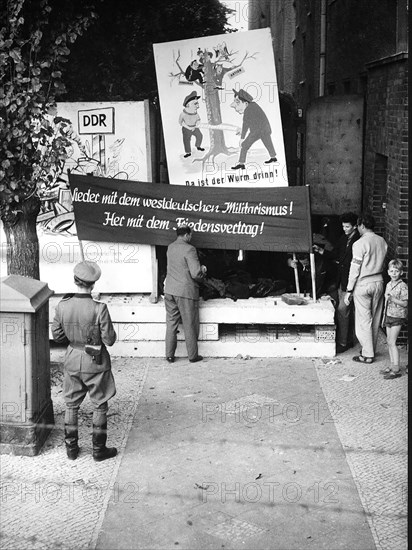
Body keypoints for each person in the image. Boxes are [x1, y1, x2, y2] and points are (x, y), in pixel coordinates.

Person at [51, 261, 117, 461]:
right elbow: (110, 340)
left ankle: (71, 450)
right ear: (93, 285)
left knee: (71, 405)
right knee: (100, 405)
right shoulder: (100, 308)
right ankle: (99, 450)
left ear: (74, 281)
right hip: (95, 362)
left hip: (72, 359)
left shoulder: (62, 306)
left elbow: (57, 336)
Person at [313, 212, 360, 353]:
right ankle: (347, 340)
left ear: (355, 226)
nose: (344, 229)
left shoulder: (357, 241)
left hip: (350, 281)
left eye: (347, 226)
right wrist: (321, 250)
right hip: (343, 280)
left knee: (342, 310)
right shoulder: (344, 238)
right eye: (343, 226)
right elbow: (335, 254)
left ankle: (344, 342)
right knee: (344, 311)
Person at [344, 213, 388, 363]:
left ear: (362, 225)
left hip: (363, 283)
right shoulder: (382, 241)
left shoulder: (359, 244)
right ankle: (370, 350)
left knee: (363, 320)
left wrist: (349, 289)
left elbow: (354, 268)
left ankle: (367, 354)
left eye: (358, 226)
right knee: (375, 318)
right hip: (379, 281)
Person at [164, 225, 207, 363]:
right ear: (187, 235)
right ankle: (193, 356)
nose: (191, 238)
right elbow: (195, 273)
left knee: (171, 323)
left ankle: (169, 355)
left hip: (169, 290)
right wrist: (203, 270)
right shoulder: (190, 249)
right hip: (185, 292)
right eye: (191, 235)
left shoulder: (170, 247)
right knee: (189, 324)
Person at [230, 88, 277, 170]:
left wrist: (242, 138)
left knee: (244, 145)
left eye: (238, 102)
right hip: (265, 130)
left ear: (245, 103)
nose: (234, 105)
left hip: (258, 131)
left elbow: (245, 125)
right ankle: (273, 157)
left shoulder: (248, 109)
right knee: (268, 143)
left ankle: (241, 164)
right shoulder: (253, 105)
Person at [380, 259, 408, 379]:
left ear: (401, 272)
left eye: (396, 271)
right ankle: (392, 365)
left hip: (398, 316)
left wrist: (393, 299)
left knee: (392, 342)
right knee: (389, 342)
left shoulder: (403, 286)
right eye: (392, 271)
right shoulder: (388, 284)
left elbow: (405, 303)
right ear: (388, 272)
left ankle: (396, 368)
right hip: (389, 315)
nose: (394, 273)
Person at [178, 91, 205, 158]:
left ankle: (198, 146)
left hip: (194, 127)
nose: (198, 106)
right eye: (195, 104)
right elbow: (181, 122)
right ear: (188, 105)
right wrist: (188, 127)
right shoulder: (183, 114)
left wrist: (196, 125)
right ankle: (188, 152)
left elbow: (198, 120)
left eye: (197, 103)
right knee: (186, 140)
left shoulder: (195, 113)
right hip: (186, 128)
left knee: (199, 136)